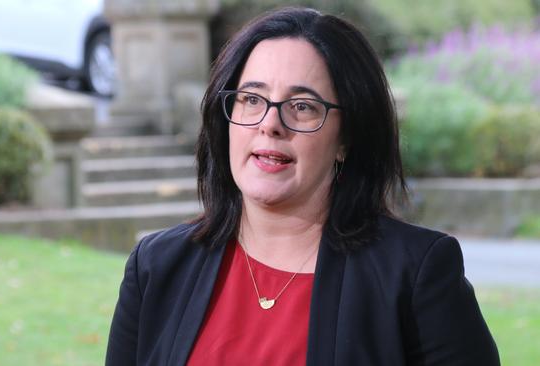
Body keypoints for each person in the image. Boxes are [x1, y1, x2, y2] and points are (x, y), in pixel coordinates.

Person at [106, 7, 500, 366]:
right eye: (251, 99)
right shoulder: (157, 267)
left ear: (346, 138)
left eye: (303, 106)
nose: (269, 124)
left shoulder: (414, 276)